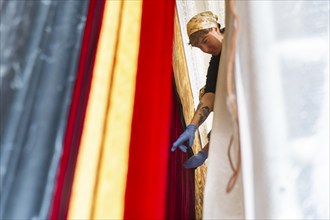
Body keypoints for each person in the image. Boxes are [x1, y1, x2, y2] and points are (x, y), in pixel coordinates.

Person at [171, 11, 225, 169]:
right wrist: (192, 126)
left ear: (215, 28)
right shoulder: (215, 64)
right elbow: (210, 96)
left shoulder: (238, 32)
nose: (205, 49)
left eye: (205, 41)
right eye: (199, 47)